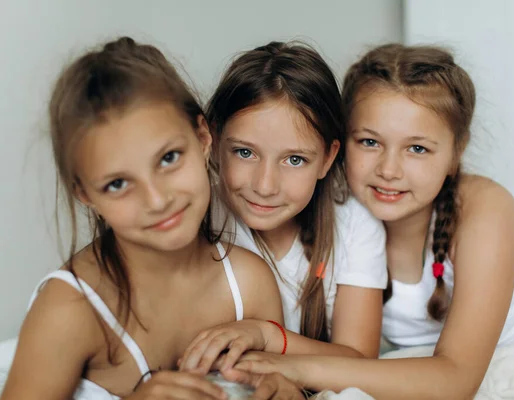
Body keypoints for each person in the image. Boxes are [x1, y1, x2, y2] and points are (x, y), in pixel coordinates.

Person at [226, 43, 514, 400]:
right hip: (426, 367)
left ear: (456, 153)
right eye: (369, 142)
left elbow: (456, 378)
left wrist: (295, 366)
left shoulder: (484, 208)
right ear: (338, 145)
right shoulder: (336, 215)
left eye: (417, 149)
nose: (389, 170)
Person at [1, 37, 297, 400]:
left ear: (203, 138)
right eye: (118, 183)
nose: (157, 200)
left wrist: (286, 391)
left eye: (169, 158)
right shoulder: (69, 310)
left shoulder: (249, 283)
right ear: (85, 194)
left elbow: (277, 381)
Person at [179, 41, 388, 374]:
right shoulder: (194, 218)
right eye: (245, 153)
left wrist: (266, 336)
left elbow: (360, 362)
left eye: (294, 159)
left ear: (328, 158)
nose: (265, 186)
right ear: (213, 140)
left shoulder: (354, 226)